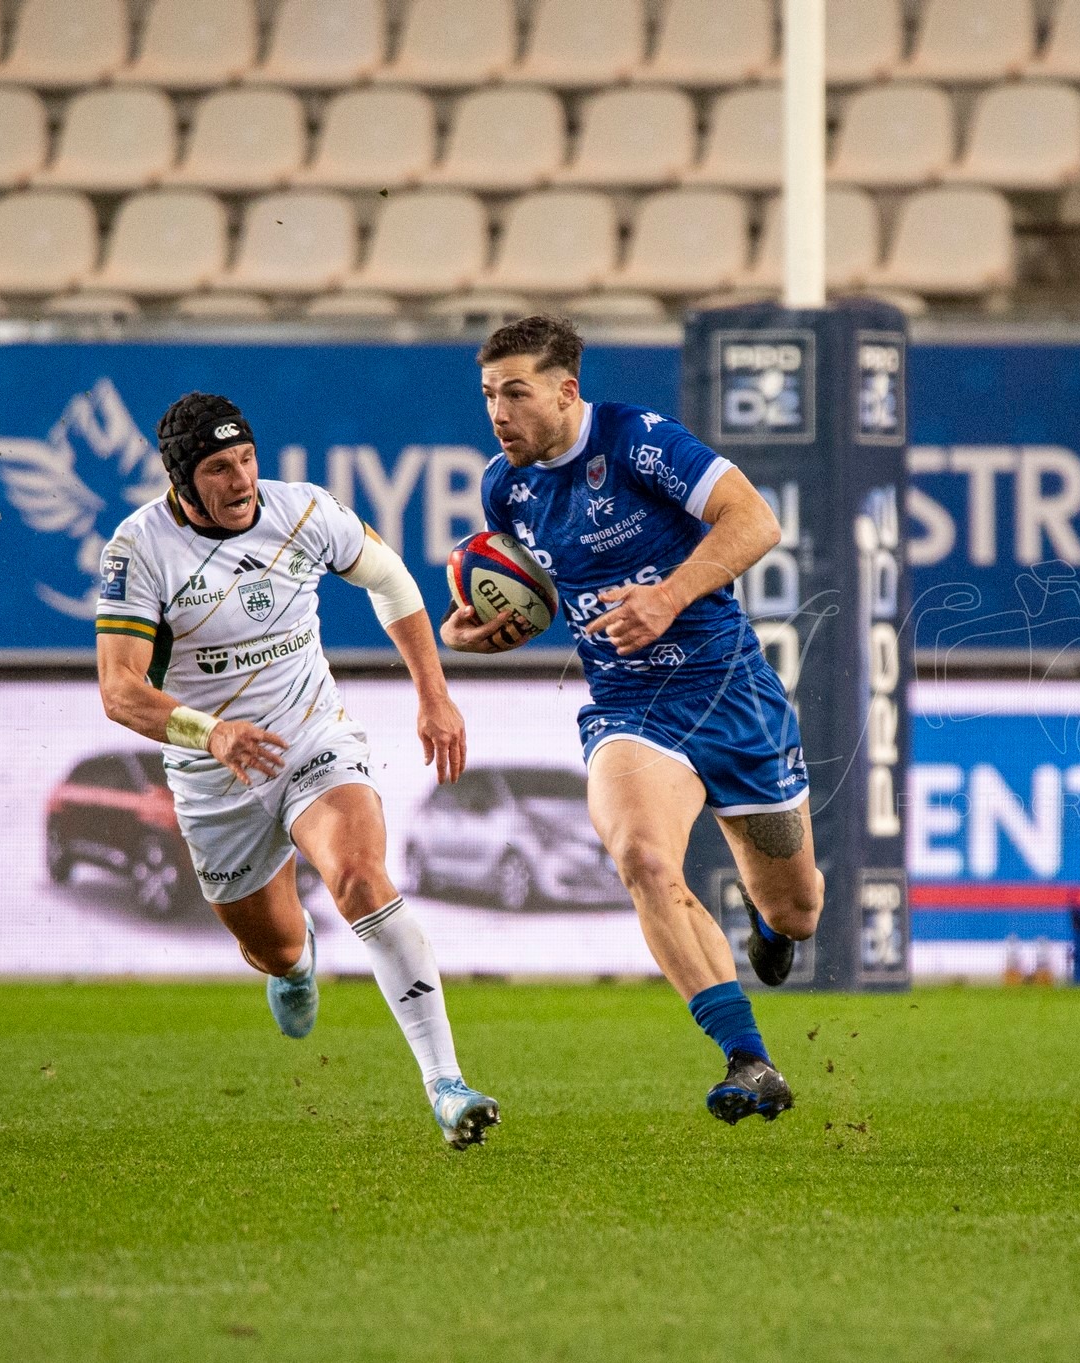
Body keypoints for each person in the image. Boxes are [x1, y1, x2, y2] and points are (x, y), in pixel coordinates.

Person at [442, 314, 822, 1125]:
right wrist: (478, 630)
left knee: (799, 908)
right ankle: (748, 1058)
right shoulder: (504, 490)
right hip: (628, 707)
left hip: (731, 694)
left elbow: (756, 521)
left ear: (566, 390)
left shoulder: (640, 440)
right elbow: (537, 596)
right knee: (643, 858)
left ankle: (768, 919)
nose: (498, 413)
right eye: (487, 396)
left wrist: (667, 596)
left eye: (516, 393)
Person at [94, 392, 499, 1148]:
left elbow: (393, 580)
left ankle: (445, 1083)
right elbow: (120, 690)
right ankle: (293, 964)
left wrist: (434, 695)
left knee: (359, 878)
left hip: (314, 737)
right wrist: (210, 734)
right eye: (218, 468)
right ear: (181, 480)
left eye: (246, 458)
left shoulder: (305, 511)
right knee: (273, 944)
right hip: (216, 778)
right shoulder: (138, 548)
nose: (241, 478)